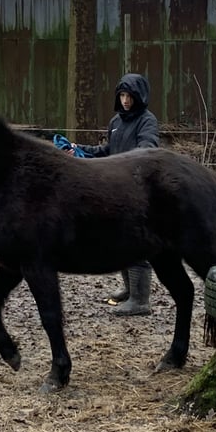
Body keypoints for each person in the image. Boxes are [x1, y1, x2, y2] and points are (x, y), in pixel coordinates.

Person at [71, 72, 159, 316]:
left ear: (138, 96)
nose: (125, 100)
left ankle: (141, 301)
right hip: (117, 190)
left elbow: (147, 148)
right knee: (121, 241)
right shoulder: (116, 122)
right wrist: (80, 150)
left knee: (137, 242)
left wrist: (126, 167)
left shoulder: (147, 121)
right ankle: (130, 290)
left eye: (129, 96)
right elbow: (107, 150)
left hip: (139, 191)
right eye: (122, 95)